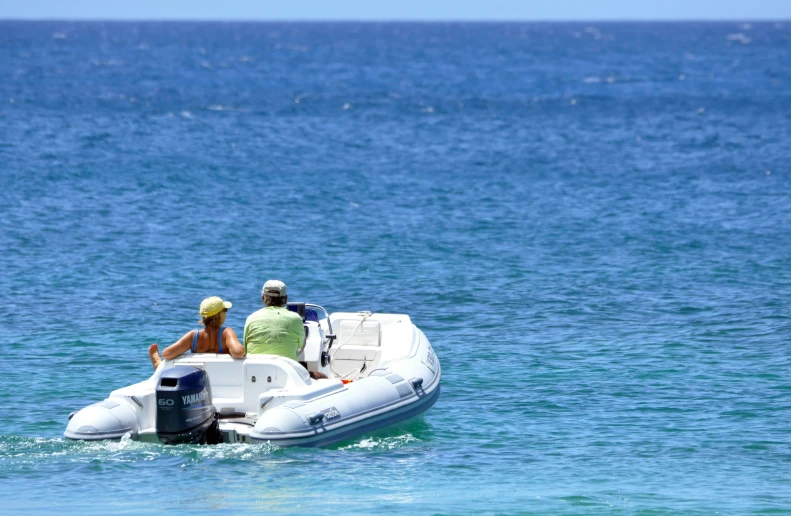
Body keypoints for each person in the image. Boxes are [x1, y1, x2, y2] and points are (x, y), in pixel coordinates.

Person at [244, 280, 328, 379]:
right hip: (288, 374)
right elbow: (301, 345)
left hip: (255, 374)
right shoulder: (295, 319)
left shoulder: (251, 318)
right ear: (285, 299)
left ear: (263, 297)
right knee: (323, 377)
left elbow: (246, 347)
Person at [148, 296, 246, 369]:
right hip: (222, 375)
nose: (226, 313)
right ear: (219, 315)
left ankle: (159, 365)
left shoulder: (193, 337)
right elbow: (239, 352)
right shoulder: (226, 333)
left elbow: (167, 354)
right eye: (225, 310)